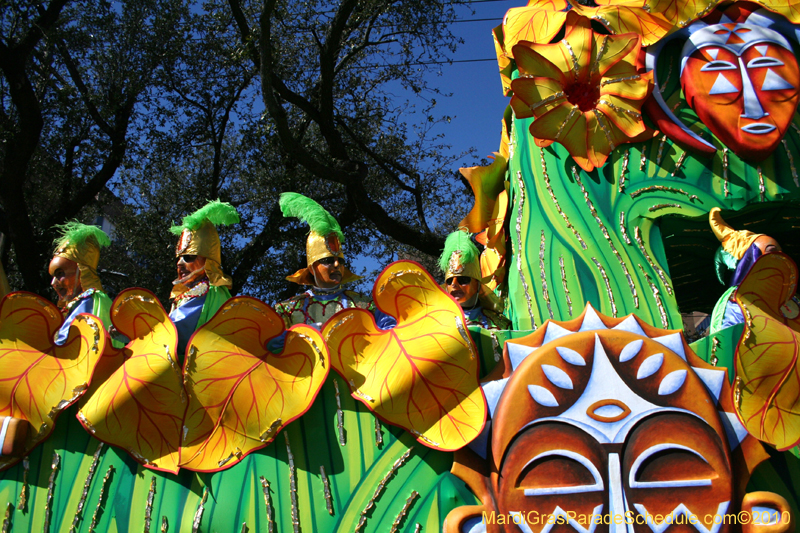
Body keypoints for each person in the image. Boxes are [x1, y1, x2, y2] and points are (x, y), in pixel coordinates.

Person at [273, 193, 395, 331]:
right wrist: (300, 336)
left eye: (340, 261)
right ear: (312, 268)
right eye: (328, 261)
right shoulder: (287, 311)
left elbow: (391, 334)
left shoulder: (366, 305)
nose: (337, 265)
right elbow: (272, 345)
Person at [168, 200, 239, 358]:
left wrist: (141, 330)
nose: (180, 264)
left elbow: (175, 329)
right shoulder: (191, 293)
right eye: (178, 259)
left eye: (189, 257)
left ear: (208, 261)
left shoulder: (205, 292)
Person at [708, 207, 781, 333]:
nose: (780, 259)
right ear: (751, 257)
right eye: (771, 252)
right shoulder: (735, 303)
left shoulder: (788, 298)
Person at [49, 222, 113, 345]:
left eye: (60, 273)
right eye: (53, 276)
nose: (53, 283)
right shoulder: (81, 302)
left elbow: (67, 346)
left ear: (82, 271)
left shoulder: (91, 302)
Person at [439, 230, 510, 330]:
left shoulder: (497, 322)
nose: (454, 285)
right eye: (449, 281)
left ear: (477, 285)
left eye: (463, 280)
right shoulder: (438, 323)